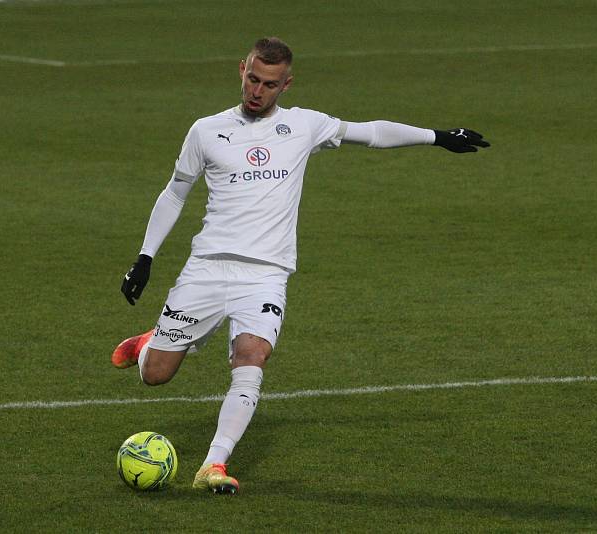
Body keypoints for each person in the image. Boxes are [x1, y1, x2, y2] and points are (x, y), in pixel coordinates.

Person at [112, 37, 489, 495]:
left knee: (252, 357)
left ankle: (213, 464)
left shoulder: (305, 126)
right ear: (241, 71)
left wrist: (438, 136)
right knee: (156, 375)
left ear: (285, 84)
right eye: (252, 78)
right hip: (208, 267)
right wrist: (145, 257)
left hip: (266, 276)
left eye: (269, 84)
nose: (257, 91)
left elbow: (370, 132)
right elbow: (175, 192)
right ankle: (149, 344)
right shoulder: (206, 130)